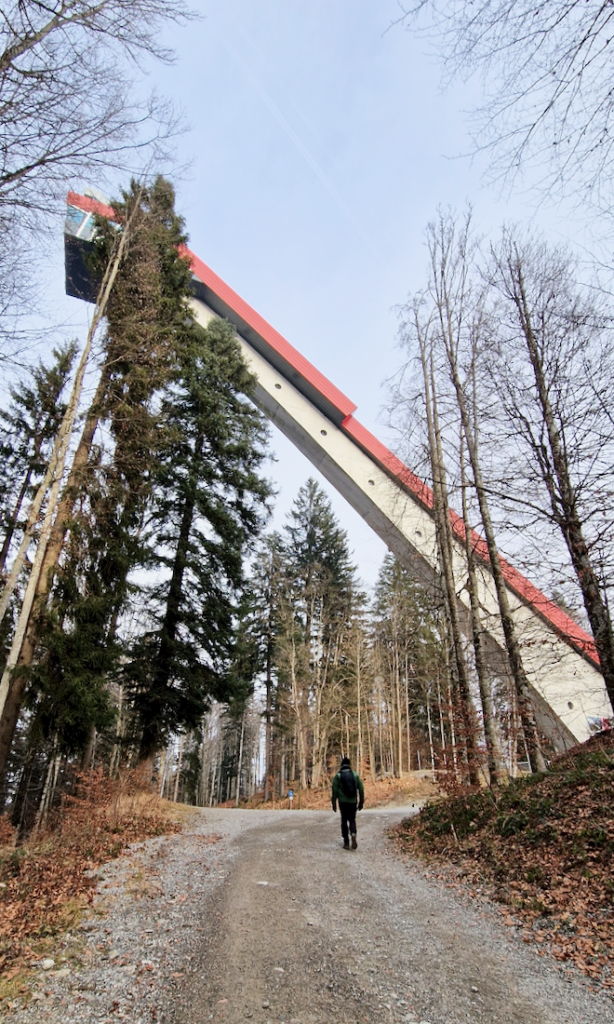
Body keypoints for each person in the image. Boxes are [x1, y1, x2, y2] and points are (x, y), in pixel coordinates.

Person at [331, 756, 364, 849]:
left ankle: (346, 842)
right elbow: (361, 789)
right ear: (349, 765)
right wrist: (361, 802)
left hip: (343, 802)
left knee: (344, 820)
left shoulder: (338, 776)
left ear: (341, 765)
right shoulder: (355, 775)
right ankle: (353, 833)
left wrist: (334, 803)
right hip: (353, 801)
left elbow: (334, 791)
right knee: (352, 819)